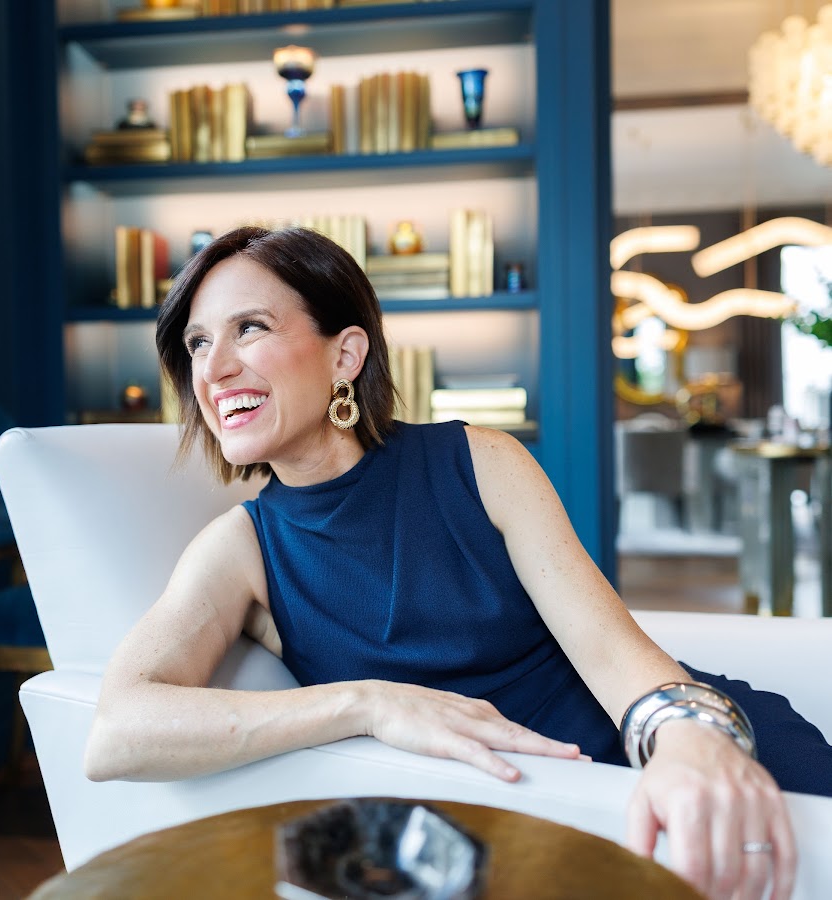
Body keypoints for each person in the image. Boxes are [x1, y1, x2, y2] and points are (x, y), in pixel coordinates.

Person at [85, 225, 832, 900]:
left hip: (655, 760)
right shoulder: (240, 548)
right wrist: (367, 704)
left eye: (249, 328)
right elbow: (117, 730)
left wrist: (690, 738)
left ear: (345, 354)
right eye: (197, 344)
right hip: (512, 831)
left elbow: (611, 652)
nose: (214, 369)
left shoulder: (480, 460)